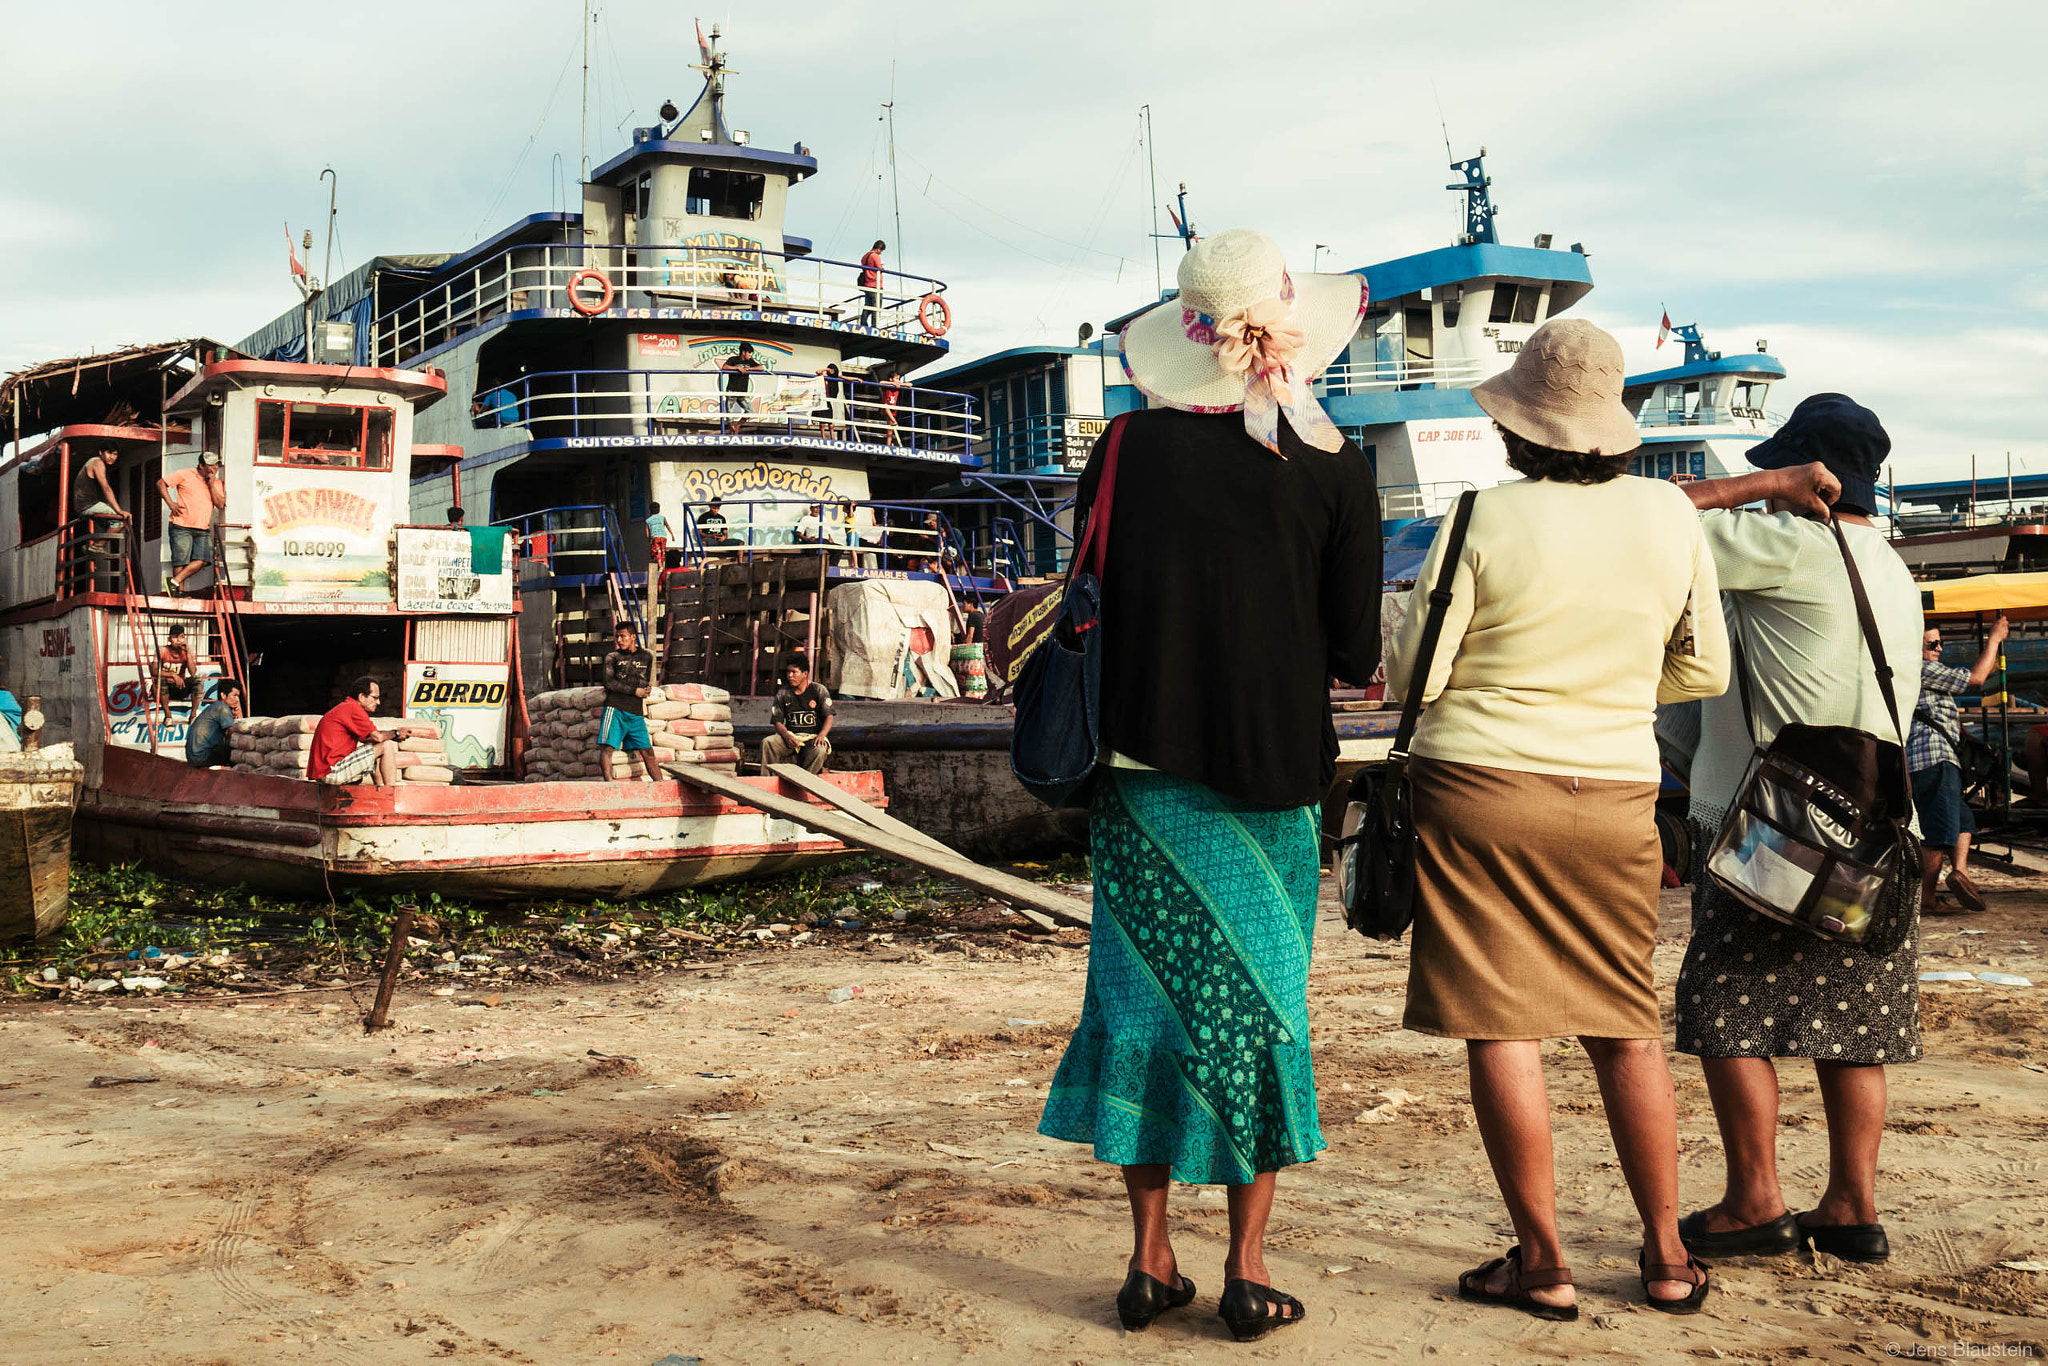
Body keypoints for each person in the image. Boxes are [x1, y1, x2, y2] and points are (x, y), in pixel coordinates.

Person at [1035, 230, 1380, 1341]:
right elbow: (1351, 651)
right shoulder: (1336, 466)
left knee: (1139, 1004)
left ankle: (1146, 1260)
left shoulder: (1124, 448)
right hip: (1271, 780)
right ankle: (1245, 1265)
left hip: (1138, 778)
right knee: (1255, 1013)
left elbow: (1091, 586)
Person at [1388, 319, 1727, 1319]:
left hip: (1478, 787)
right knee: (1622, 1021)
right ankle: (1665, 1257)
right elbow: (1702, 667)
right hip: (1613, 790)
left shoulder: (1476, 518)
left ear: (1516, 425)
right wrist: (1615, 691)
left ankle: (1540, 1263)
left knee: (1501, 1020)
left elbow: (1415, 675)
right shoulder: (1669, 517)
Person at [1674, 393, 1925, 1269]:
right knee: (1853, 1027)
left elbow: (1647, 520)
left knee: (1724, 1010)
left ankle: (1755, 1202)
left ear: (1809, 474)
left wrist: (1753, 486)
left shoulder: (1784, 543)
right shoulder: (1891, 568)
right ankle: (1853, 1205)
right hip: (1881, 838)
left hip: (1777, 834)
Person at [1911, 618, 2005, 913]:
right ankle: (1926, 900)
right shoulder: (1922, 669)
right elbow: (1976, 678)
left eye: (1940, 642)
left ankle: (1960, 873)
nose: (1939, 648)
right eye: (1932, 644)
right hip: (1933, 758)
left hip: (1936, 759)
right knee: (1936, 836)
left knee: (1963, 820)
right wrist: (1994, 639)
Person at [308, 677, 437, 786]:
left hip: (326, 772)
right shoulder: (353, 709)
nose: (378, 702)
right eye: (375, 698)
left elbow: (368, 739)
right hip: (332, 771)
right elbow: (378, 737)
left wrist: (392, 736)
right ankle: (390, 793)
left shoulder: (345, 708)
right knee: (386, 746)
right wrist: (396, 733)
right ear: (362, 697)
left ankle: (379, 790)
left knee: (379, 747)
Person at [599, 621, 662, 782]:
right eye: (617, 636)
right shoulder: (612, 657)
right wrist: (635, 691)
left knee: (648, 752)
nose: (619, 640)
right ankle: (610, 786)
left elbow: (645, 680)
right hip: (615, 709)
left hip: (635, 713)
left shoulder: (647, 656)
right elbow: (609, 683)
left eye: (623, 636)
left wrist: (645, 690)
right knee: (608, 749)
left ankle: (661, 786)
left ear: (633, 637)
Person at [158, 452, 224, 595]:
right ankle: (178, 592)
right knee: (180, 560)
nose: (214, 468)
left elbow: (220, 504)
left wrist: (212, 485)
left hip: (202, 527)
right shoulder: (185, 474)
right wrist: (170, 503)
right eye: (210, 465)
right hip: (181, 525)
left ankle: (173, 582)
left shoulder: (217, 483)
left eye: (216, 465)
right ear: (201, 465)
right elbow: (161, 483)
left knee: (204, 559)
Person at [762, 655, 834, 773]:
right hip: (791, 737)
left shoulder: (818, 690)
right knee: (768, 742)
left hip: (812, 738)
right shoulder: (783, 693)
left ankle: (805, 784)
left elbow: (829, 717)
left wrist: (822, 735)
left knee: (820, 750)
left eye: (794, 672)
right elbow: (777, 721)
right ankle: (767, 781)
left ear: (805, 674)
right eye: (788, 672)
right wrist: (787, 736)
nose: (790, 676)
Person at [185, 677, 242, 769]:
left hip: (193, 757)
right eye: (234, 695)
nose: (237, 700)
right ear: (223, 695)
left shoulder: (215, 706)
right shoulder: (223, 708)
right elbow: (231, 733)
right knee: (239, 746)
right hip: (202, 756)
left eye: (238, 696)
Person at [719, 343, 763, 429]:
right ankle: (732, 429)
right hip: (732, 390)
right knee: (729, 414)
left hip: (743, 392)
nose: (750, 355)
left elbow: (761, 368)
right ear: (743, 352)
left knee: (750, 410)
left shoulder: (750, 361)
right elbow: (724, 367)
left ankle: (738, 425)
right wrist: (737, 368)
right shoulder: (733, 359)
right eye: (749, 353)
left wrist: (749, 369)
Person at [157, 625, 197, 703]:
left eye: (181, 637)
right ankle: (167, 713)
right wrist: (173, 675)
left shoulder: (188, 652)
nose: (179, 640)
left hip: (180, 687)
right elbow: (154, 672)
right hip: (164, 688)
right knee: (161, 680)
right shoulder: (162, 650)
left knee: (197, 680)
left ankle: (193, 714)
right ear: (169, 639)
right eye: (175, 637)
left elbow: (193, 673)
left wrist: (188, 652)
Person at [817, 363, 848, 439]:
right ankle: (823, 437)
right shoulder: (824, 377)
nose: (832, 371)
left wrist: (857, 379)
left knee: (830, 423)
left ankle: (832, 438)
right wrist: (827, 369)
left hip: (828, 400)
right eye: (831, 370)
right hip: (822, 400)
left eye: (833, 370)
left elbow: (846, 378)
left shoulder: (835, 377)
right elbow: (818, 372)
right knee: (822, 423)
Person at [858, 239, 885, 326]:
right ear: (879, 248)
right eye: (881, 250)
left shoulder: (865, 256)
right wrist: (882, 267)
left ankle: (863, 322)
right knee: (876, 307)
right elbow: (879, 268)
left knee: (868, 305)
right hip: (875, 284)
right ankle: (874, 325)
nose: (880, 253)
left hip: (867, 283)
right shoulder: (875, 256)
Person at [645, 502, 672, 573]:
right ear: (659, 510)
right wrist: (672, 534)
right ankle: (661, 565)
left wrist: (649, 539)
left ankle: (660, 567)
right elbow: (667, 525)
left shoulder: (648, 520)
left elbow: (647, 532)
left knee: (657, 552)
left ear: (650, 510)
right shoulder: (662, 518)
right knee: (662, 551)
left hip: (655, 537)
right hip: (663, 536)